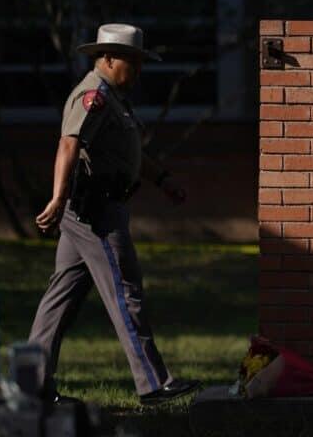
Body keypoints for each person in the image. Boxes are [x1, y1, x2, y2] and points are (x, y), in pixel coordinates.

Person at [28, 23, 199, 405]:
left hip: (97, 208)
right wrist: (57, 198)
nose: (137, 71)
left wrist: (164, 180)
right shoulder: (93, 96)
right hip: (97, 211)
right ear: (106, 58)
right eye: (131, 62)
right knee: (125, 290)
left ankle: (31, 386)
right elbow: (68, 145)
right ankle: (153, 382)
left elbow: (130, 154)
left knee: (60, 299)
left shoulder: (116, 100)